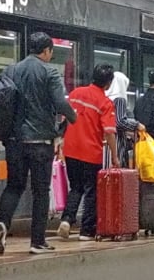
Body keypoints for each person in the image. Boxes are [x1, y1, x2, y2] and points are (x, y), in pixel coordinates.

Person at [0, 32, 77, 255]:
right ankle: (37, 242)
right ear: (47, 50)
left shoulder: (11, 70)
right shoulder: (49, 72)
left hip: (14, 141)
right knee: (40, 191)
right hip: (40, 142)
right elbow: (59, 102)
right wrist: (73, 116)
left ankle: (2, 222)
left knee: (14, 186)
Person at [57, 64, 119, 241]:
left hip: (71, 149)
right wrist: (114, 156)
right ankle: (86, 230)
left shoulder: (76, 93)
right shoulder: (105, 103)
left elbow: (64, 119)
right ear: (108, 84)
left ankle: (67, 219)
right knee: (91, 191)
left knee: (75, 187)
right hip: (91, 152)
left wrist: (60, 142)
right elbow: (109, 132)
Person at [105, 71, 145, 168]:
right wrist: (136, 125)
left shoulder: (106, 97)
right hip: (115, 142)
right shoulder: (119, 99)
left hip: (104, 142)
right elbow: (119, 121)